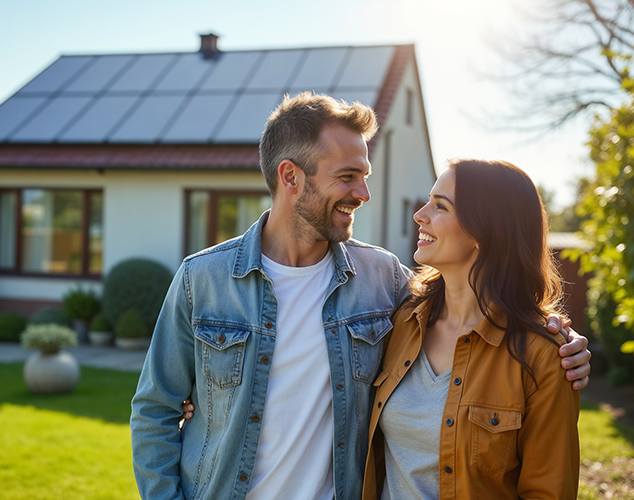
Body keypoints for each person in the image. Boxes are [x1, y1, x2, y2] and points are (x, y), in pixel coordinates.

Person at [130, 92, 589, 500]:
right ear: (291, 177)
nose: (364, 193)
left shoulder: (384, 280)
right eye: (348, 176)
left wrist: (558, 336)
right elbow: (156, 409)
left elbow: (479, 302)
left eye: (365, 176)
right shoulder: (202, 279)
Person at [362, 159, 580, 500]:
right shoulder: (401, 321)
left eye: (440, 206)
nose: (420, 215)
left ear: (484, 230)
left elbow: (548, 491)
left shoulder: (543, 354)